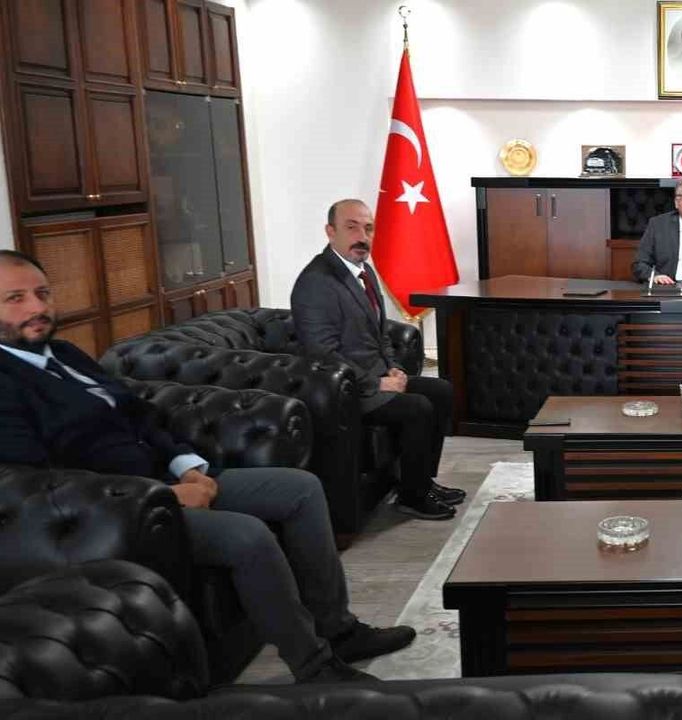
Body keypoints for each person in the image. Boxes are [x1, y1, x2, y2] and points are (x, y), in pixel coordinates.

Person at [0, 250, 411, 683]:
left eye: (42, 293)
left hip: (167, 478)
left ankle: (338, 629)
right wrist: (164, 496)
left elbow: (141, 416)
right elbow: (42, 483)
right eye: (15, 298)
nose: (37, 307)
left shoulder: (65, 353)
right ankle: (314, 666)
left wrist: (187, 466)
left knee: (302, 488)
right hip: (118, 514)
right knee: (246, 535)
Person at [291, 199, 465, 521]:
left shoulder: (364, 271)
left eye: (368, 228)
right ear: (330, 232)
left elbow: (380, 332)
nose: (362, 236)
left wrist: (393, 367)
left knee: (441, 390)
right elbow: (322, 354)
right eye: (352, 227)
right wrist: (377, 382)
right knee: (417, 408)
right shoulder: (316, 282)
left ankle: (421, 482)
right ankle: (412, 498)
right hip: (344, 390)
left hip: (377, 375)